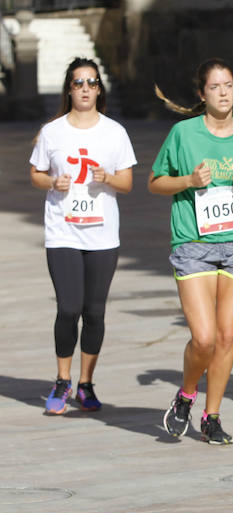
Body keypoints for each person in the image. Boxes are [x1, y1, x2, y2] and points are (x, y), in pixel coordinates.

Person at [150, 58, 233, 445]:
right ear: (202, 94)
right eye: (215, 86)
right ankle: (187, 394)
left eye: (229, 85)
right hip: (193, 243)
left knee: (226, 336)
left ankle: (212, 415)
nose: (223, 92)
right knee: (202, 338)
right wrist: (188, 180)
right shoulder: (183, 134)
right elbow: (156, 183)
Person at [29, 57, 136, 414]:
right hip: (63, 232)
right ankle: (62, 380)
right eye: (79, 83)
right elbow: (36, 174)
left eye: (92, 82)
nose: (86, 89)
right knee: (68, 308)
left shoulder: (114, 132)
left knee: (94, 312)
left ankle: (86, 384)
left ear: (99, 89)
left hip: (103, 235)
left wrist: (108, 178)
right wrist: (51, 181)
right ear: (69, 89)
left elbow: (127, 182)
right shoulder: (53, 132)